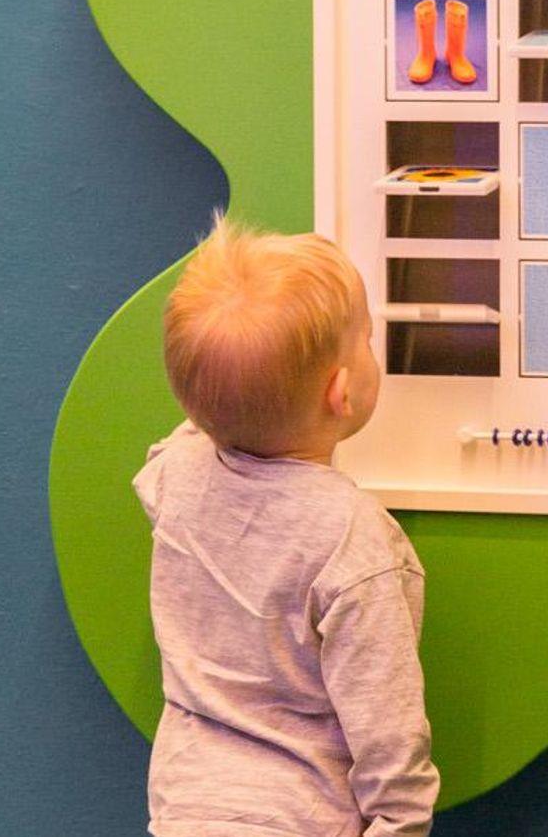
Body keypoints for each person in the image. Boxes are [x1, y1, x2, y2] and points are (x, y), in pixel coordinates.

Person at [134, 217, 437, 836]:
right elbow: (389, 729)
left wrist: (222, 401)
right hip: (302, 820)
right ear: (341, 393)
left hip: (184, 810)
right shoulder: (356, 540)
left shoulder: (177, 474)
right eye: (366, 338)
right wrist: (400, 823)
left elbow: (177, 442)